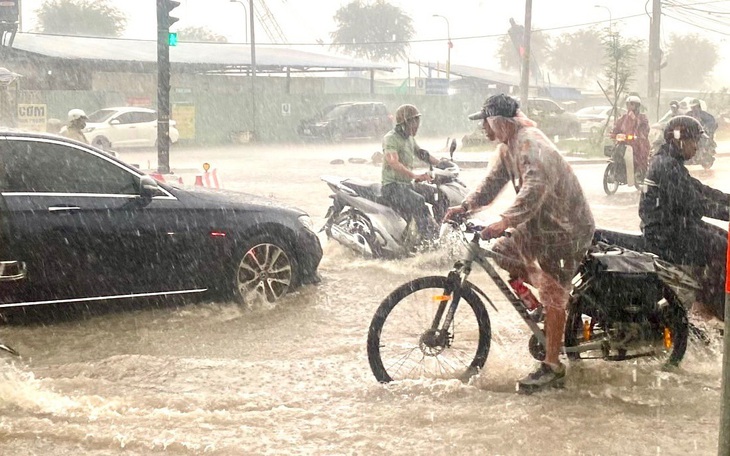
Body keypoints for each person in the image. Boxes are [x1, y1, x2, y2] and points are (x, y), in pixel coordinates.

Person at [445, 94, 595, 393]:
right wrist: (466, 206)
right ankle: (552, 302)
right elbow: (491, 185)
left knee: (553, 291)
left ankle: (552, 365)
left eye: (486, 123)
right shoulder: (508, 148)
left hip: (566, 227)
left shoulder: (530, 144)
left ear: (500, 121)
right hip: (541, 222)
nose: (484, 130)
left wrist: (506, 220)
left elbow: (536, 186)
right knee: (501, 251)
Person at [639, 115, 728, 321]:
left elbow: (702, 190)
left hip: (674, 227)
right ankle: (705, 305)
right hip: (666, 234)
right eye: (693, 141)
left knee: (726, 241)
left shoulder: (671, 163)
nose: (696, 147)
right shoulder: (667, 166)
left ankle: (704, 295)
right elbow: (696, 204)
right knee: (723, 248)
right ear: (679, 140)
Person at [381, 103, 441, 245]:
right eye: (414, 122)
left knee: (440, 195)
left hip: (406, 185)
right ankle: (427, 244)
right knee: (419, 202)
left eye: (418, 121)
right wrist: (415, 176)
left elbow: (421, 153)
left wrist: (442, 163)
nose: (417, 126)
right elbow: (393, 163)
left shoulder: (409, 138)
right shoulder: (391, 139)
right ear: (404, 123)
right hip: (392, 187)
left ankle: (439, 231)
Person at [611, 95, 651, 175]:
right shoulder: (624, 117)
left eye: (632, 104)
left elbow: (645, 128)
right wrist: (613, 133)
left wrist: (635, 120)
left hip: (638, 142)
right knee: (615, 151)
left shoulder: (642, 117)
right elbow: (617, 126)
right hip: (624, 141)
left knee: (640, 153)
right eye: (628, 104)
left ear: (637, 106)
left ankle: (640, 171)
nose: (629, 106)